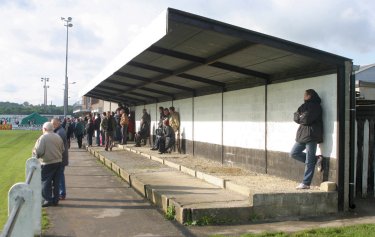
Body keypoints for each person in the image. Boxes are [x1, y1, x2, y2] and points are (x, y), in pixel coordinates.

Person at [290, 89, 324, 190]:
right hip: (302, 134)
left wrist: (301, 117)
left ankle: (306, 183)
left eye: (305, 94)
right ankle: (317, 159)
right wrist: (301, 117)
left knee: (309, 160)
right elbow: (295, 116)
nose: (304, 96)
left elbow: (306, 119)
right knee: (293, 153)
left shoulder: (316, 106)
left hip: (312, 135)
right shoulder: (303, 106)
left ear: (310, 96)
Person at [32, 122, 64, 207]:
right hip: (58, 162)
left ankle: (48, 199)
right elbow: (62, 149)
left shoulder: (43, 138)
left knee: (45, 182)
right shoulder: (58, 136)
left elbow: (39, 152)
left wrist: (34, 152)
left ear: (45, 129)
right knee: (56, 182)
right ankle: (55, 200)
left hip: (47, 162)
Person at [51, 118, 69, 200]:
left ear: (57, 123)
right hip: (61, 157)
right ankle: (60, 193)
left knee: (60, 176)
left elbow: (58, 147)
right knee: (59, 176)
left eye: (53, 124)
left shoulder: (60, 132)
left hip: (61, 158)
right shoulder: (59, 131)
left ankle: (62, 194)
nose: (52, 126)